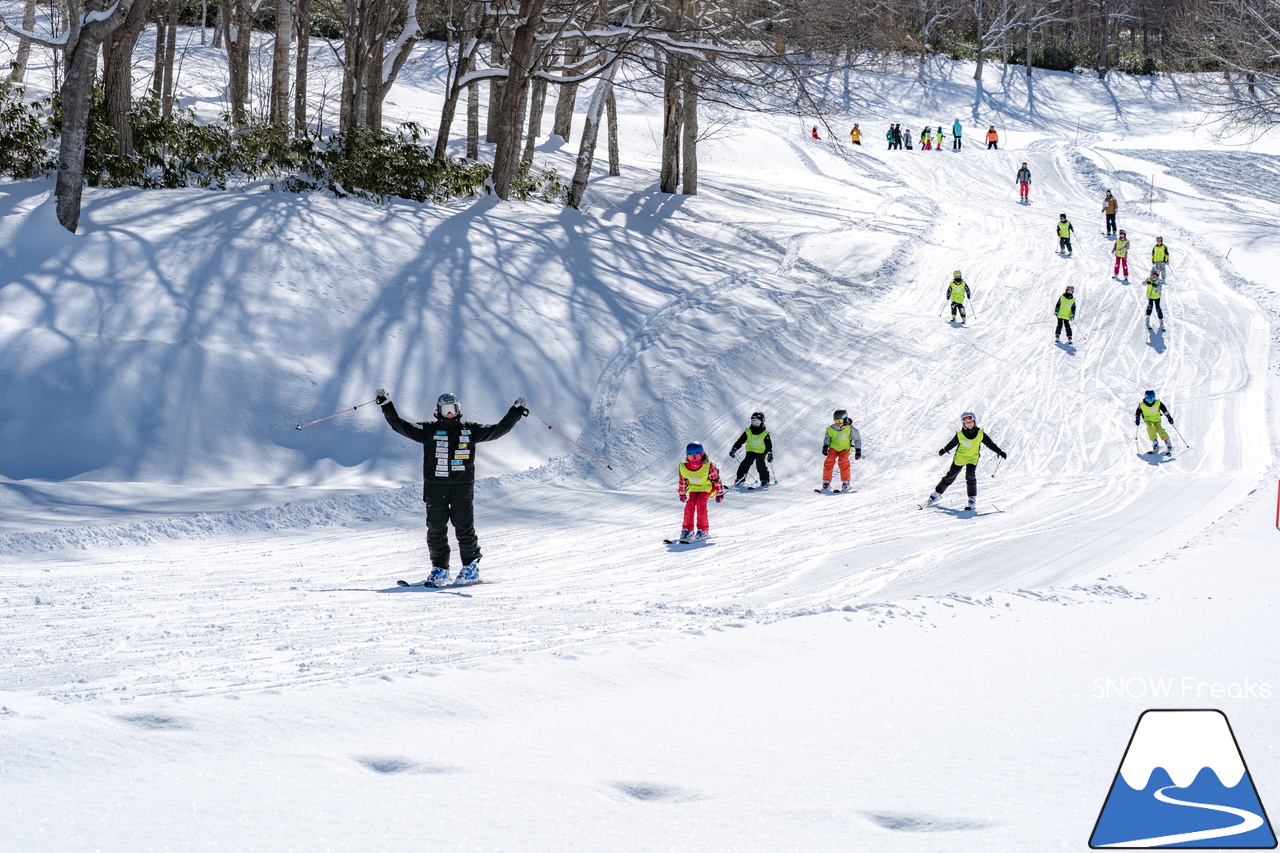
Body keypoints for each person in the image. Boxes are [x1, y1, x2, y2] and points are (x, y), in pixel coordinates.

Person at [376, 389, 527, 586]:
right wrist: (386, 405)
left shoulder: (469, 430)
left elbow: (497, 430)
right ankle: (440, 569)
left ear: (459, 410)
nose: (449, 413)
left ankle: (470, 568)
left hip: (462, 489)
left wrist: (515, 413)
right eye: (445, 409)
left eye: (453, 408)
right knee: (436, 529)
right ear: (438, 411)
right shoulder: (428, 430)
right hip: (435, 489)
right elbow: (400, 425)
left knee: (464, 528)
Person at [925, 412, 1006, 511]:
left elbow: (989, 444)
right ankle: (936, 494)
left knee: (970, 477)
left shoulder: (980, 433)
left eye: (971, 422)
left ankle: (972, 500)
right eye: (966, 423)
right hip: (960, 458)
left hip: (972, 458)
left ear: (974, 422)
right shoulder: (960, 434)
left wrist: (999, 451)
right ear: (963, 424)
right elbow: (952, 443)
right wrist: (945, 450)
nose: (969, 424)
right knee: (950, 476)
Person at [677, 442, 724, 541]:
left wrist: (719, 493)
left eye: (696, 457)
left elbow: (716, 480)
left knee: (701, 503)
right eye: (691, 457)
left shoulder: (708, 466)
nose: (693, 460)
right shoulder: (684, 467)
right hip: (694, 488)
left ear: (702, 455)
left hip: (707, 487)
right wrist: (682, 493)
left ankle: (703, 530)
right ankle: (687, 529)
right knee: (689, 505)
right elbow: (683, 481)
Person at [820, 409, 862, 493]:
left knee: (843, 461)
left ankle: (846, 483)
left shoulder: (851, 429)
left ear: (845, 419)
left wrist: (858, 451)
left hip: (845, 448)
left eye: (840, 421)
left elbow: (857, 439)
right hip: (834, 447)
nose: (838, 423)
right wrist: (825, 447)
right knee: (829, 460)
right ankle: (826, 482)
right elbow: (827, 438)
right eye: (836, 420)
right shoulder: (831, 429)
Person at [729, 412, 773, 487]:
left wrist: (769, 453)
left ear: (762, 422)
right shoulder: (748, 431)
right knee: (746, 462)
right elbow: (740, 441)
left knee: (760, 464)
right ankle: (740, 478)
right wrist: (734, 448)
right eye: (753, 422)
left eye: (757, 422)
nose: (755, 424)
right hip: (751, 451)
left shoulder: (765, 433)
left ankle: (765, 479)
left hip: (761, 452)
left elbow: (768, 444)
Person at [1134, 390, 1174, 455]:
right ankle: (1155, 445)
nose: (1150, 401)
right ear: (1145, 398)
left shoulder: (1158, 403)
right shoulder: (1142, 405)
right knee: (1150, 428)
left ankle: (1168, 444)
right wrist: (1137, 419)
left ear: (1154, 398)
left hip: (1157, 419)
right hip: (1148, 419)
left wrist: (1169, 417)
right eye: (1148, 399)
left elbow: (1164, 410)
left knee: (1160, 430)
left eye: (1152, 399)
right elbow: (1137, 413)